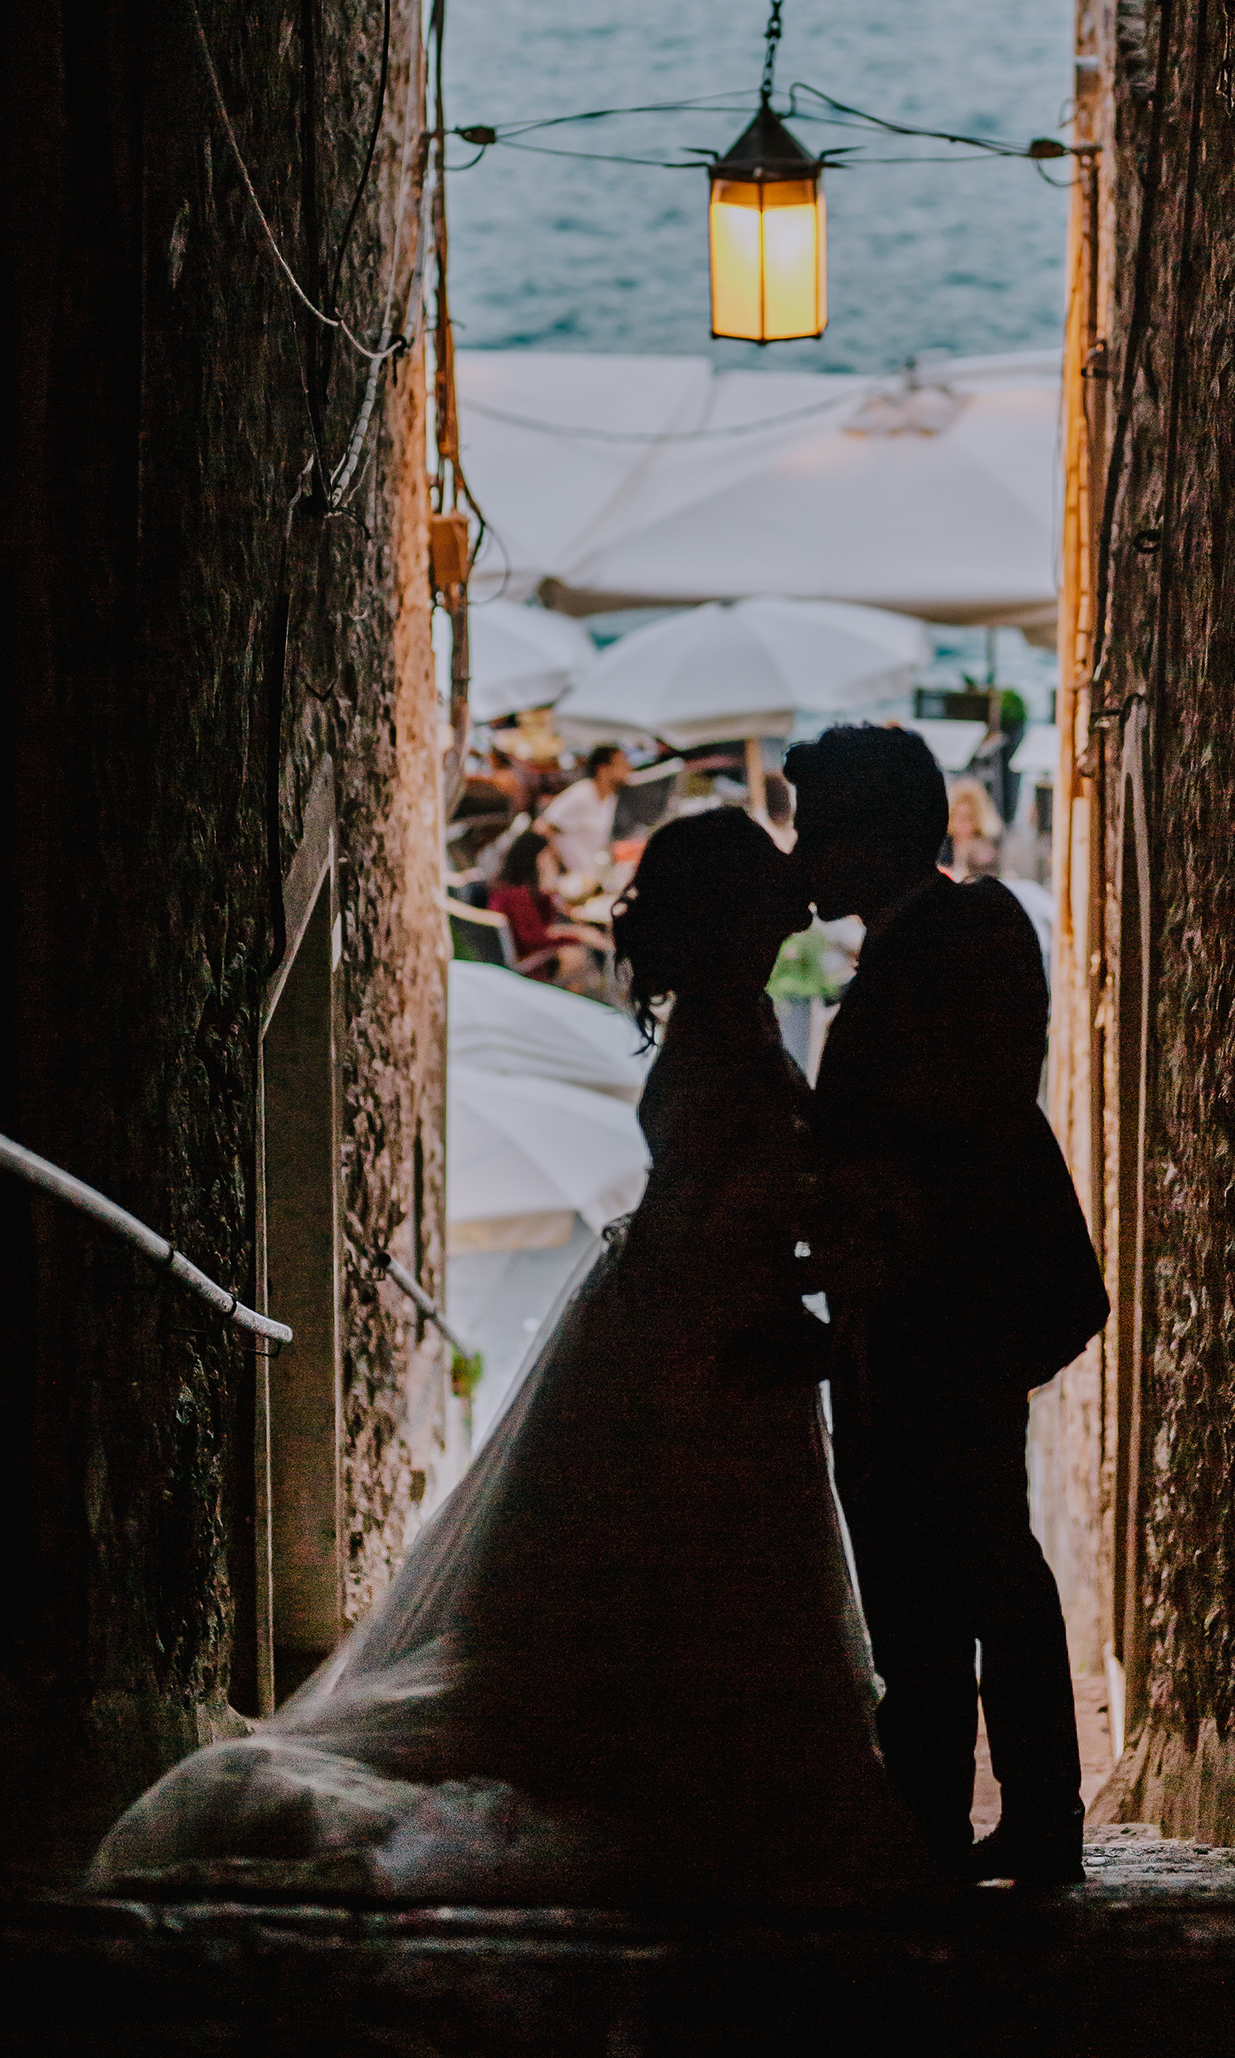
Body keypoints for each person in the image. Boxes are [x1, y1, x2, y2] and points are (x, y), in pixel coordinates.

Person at [88, 811, 929, 1907]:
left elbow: (733, 1198)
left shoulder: (730, 1021)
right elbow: (712, 1219)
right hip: (709, 1336)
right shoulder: (725, 1036)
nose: (792, 901)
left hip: (697, 1319)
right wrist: (829, 1264)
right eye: (768, 888)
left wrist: (814, 1253)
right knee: (693, 1560)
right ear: (733, 913)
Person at [787, 721, 1110, 1889]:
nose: (802, 856)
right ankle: (950, 1812)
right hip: (916, 1303)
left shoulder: (969, 931)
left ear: (876, 836)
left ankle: (1012, 1815)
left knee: (969, 1552)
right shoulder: (918, 944)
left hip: (957, 1303)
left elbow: (950, 1121)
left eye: (818, 832)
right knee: (934, 1556)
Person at [486, 829, 612, 987]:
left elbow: (539, 928)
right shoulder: (518, 896)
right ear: (535, 859)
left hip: (508, 961)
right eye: (549, 858)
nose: (553, 863)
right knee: (578, 956)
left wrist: (548, 892)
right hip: (527, 966)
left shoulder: (504, 888)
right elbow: (535, 938)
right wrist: (576, 934)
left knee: (580, 945)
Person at [539, 743, 631, 884]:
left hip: (593, 878)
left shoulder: (610, 798)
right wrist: (564, 869)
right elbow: (542, 826)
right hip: (573, 881)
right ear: (602, 769)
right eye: (621, 764)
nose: (628, 769)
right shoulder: (582, 793)